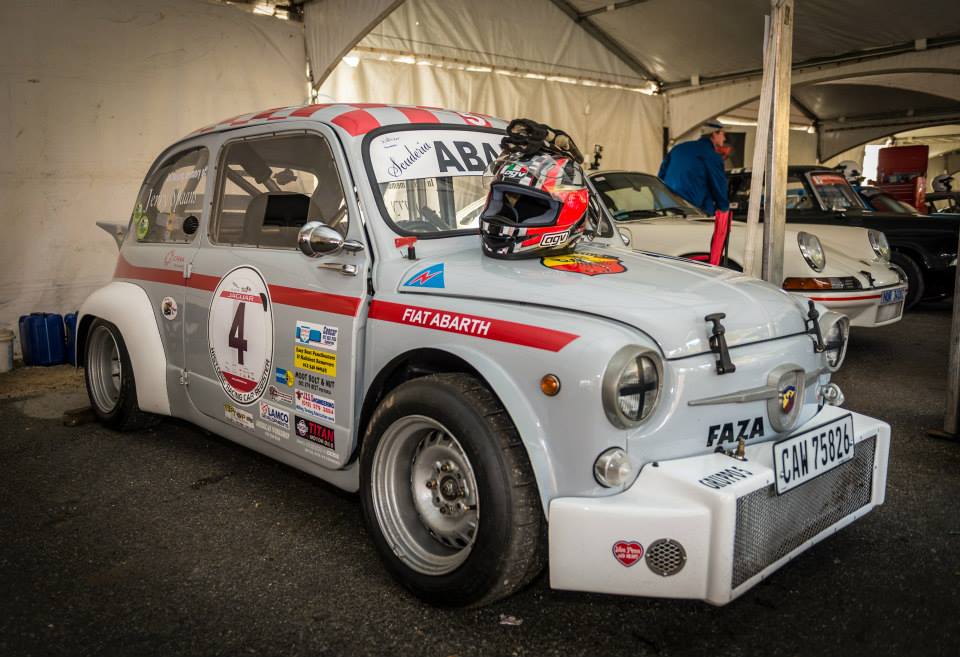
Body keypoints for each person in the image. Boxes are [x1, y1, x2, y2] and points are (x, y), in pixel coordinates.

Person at [657, 120, 730, 214]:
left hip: (667, 203)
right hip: (691, 208)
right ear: (714, 134)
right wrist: (724, 208)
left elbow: (661, 175)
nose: (724, 138)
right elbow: (718, 185)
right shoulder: (711, 155)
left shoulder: (678, 148)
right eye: (723, 134)